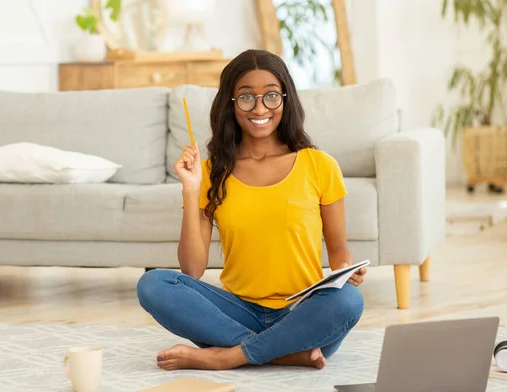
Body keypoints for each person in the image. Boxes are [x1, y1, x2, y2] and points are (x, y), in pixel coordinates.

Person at [136, 49, 366, 372]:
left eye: (271, 96)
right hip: (236, 311)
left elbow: (340, 252)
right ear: (231, 104)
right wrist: (190, 189)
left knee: (349, 302)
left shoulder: (319, 165)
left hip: (300, 312)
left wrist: (347, 272)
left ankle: (228, 356)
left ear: (285, 99)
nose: (260, 108)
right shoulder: (210, 173)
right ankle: (282, 353)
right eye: (246, 98)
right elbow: (192, 270)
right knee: (152, 285)